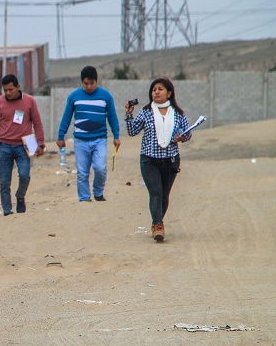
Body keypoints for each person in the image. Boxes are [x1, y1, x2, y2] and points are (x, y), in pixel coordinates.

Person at [125, 77, 191, 242]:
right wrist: (128, 115)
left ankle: (156, 222)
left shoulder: (177, 114)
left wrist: (182, 137)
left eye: (160, 89)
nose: (156, 92)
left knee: (164, 195)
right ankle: (158, 225)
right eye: (154, 89)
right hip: (149, 160)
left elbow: (188, 133)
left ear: (169, 93)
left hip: (170, 160)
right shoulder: (146, 112)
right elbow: (132, 131)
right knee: (156, 193)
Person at [56, 66, 120, 202]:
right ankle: (84, 198)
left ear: (96, 81)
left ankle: (98, 192)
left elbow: (112, 117)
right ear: (82, 82)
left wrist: (116, 136)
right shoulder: (74, 97)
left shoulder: (106, 96)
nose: (89, 86)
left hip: (100, 139)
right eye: (86, 83)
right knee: (82, 172)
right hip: (80, 140)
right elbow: (66, 117)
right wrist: (61, 136)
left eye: (92, 83)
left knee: (100, 167)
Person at [0, 74, 46, 215]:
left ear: (18, 87)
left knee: (24, 175)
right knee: (4, 181)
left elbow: (37, 123)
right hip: (4, 146)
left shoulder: (30, 101)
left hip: (23, 146)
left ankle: (20, 196)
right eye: (5, 90)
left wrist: (41, 143)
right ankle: (7, 211)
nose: (7, 93)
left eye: (10, 90)